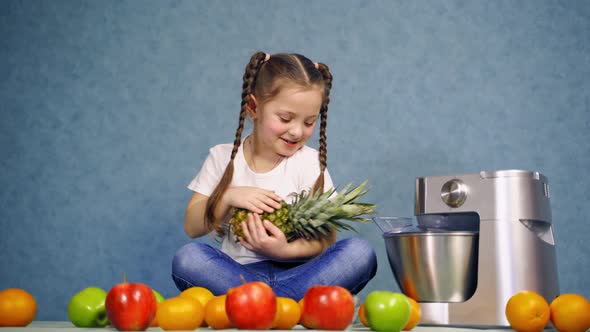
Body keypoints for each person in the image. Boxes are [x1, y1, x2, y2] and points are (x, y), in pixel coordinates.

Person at [172, 51, 377, 300]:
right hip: (236, 276)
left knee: (359, 253)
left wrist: (283, 251)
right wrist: (227, 196)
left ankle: (262, 305)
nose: (297, 131)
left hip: (300, 273)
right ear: (253, 107)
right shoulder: (222, 157)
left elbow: (326, 240)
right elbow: (191, 227)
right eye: (285, 118)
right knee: (188, 258)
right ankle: (286, 305)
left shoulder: (308, 161)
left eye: (309, 122)